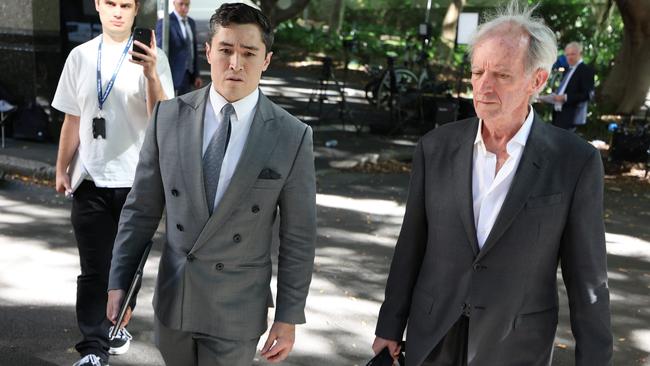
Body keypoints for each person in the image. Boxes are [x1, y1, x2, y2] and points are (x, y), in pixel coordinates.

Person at [372, 3, 612, 366]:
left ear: (537, 80)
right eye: (477, 71)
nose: (483, 86)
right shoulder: (435, 147)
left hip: (516, 344)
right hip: (431, 334)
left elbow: (587, 279)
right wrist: (390, 324)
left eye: (501, 75)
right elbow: (412, 244)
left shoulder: (574, 162)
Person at [106, 3, 316, 366]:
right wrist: (119, 282)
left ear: (266, 60)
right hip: (176, 300)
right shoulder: (168, 118)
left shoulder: (292, 136)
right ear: (208, 51)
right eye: (226, 50)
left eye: (249, 53)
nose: (236, 63)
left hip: (237, 309)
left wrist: (288, 315)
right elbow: (140, 210)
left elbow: (298, 236)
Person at [52, 0, 174, 365]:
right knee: (94, 271)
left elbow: (164, 119)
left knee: (127, 270)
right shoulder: (80, 57)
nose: (118, 11)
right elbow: (73, 118)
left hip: (137, 183)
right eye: (110, 3)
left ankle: (118, 318)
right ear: (98, 6)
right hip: (90, 179)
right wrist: (61, 167)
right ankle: (93, 348)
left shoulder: (155, 57)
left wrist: (151, 74)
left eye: (125, 4)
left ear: (136, 10)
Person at [156, 0, 202, 95]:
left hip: (189, 76)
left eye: (187, 4)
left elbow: (193, 49)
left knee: (185, 107)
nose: (184, 7)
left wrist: (196, 75)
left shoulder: (191, 22)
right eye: (181, 4)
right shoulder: (165, 22)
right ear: (174, 3)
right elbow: (159, 51)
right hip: (172, 77)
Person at [550, 42, 595, 131]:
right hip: (558, 113)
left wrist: (566, 97)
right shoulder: (567, 69)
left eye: (573, 54)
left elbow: (587, 95)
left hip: (571, 116)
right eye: (567, 55)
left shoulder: (585, 70)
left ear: (580, 54)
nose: (569, 57)